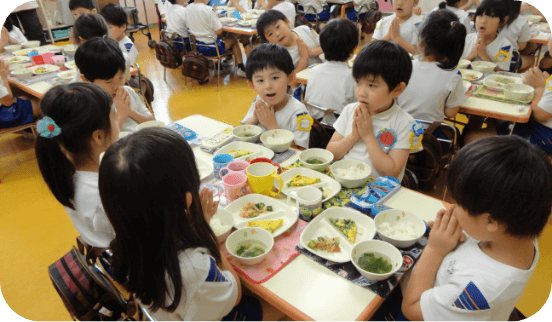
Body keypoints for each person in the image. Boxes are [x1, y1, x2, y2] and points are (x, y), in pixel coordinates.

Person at [98, 127, 291, 321]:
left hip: (170, 310)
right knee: (284, 306)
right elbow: (236, 293)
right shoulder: (194, 270)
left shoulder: (126, 237)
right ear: (187, 198)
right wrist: (205, 232)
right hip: (211, 307)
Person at [402, 135, 552, 321]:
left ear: (490, 222)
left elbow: (411, 309)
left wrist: (434, 249)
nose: (452, 208)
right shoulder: (519, 227)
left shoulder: (478, 292)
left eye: (459, 203)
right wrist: (451, 234)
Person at [34, 83, 118, 248]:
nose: (118, 121)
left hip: (100, 247)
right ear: (99, 136)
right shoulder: (103, 194)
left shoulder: (65, 169)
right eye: (114, 117)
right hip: (124, 262)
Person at [326, 41, 416, 180]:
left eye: (372, 85)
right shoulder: (350, 110)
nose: (361, 92)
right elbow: (330, 154)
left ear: (397, 89)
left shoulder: (405, 123)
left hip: (377, 192)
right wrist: (353, 136)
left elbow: (391, 172)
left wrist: (368, 135)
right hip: (344, 182)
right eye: (358, 81)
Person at [398, 9, 466, 127]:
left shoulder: (403, 67)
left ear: (421, 41)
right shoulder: (454, 76)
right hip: (430, 138)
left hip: (398, 132)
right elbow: (450, 113)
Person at [75, 37, 155, 132]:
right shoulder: (87, 107)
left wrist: (129, 111)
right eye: (109, 82)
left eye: (121, 77)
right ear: (86, 80)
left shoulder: (127, 92)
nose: (117, 86)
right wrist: (120, 115)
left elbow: (153, 122)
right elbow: (105, 145)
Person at [241, 43, 312, 150]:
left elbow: (299, 151)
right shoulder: (259, 100)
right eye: (260, 80)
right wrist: (254, 120)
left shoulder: (299, 112)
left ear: (290, 77)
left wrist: (272, 126)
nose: (268, 86)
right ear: (252, 84)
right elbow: (241, 133)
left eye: (274, 78)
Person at [256, 10, 322, 99]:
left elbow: (325, 47)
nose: (277, 34)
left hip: (323, 75)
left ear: (287, 21)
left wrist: (311, 52)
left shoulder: (304, 29)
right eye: (270, 34)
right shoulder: (277, 56)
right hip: (304, 91)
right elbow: (294, 83)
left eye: (278, 26)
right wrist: (303, 58)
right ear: (268, 41)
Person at [304, 19, 358, 125]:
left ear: (323, 48)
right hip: (340, 130)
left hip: (315, 126)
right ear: (353, 50)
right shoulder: (354, 77)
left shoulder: (314, 70)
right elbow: (357, 108)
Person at [185, 0, 247, 77]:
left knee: (219, 38)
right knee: (232, 38)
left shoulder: (188, 8)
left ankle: (219, 67)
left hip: (195, 47)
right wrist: (214, 17)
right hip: (212, 49)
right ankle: (241, 68)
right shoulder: (207, 10)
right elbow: (219, 31)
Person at [461, 0, 513, 72]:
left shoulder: (505, 46)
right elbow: (455, 67)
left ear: (503, 20)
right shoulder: (467, 39)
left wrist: (484, 55)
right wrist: (471, 56)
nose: (483, 21)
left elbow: (501, 74)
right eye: (480, 15)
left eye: (491, 16)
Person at [0, 60, 41, 129]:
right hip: (4, 115)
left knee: (23, 95)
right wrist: (3, 77)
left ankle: (28, 131)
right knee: (44, 102)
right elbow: (8, 102)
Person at [499, 0, 532, 72]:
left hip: (487, 56)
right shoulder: (522, 20)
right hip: (507, 59)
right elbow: (521, 47)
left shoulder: (490, 16)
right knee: (531, 60)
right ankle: (515, 77)